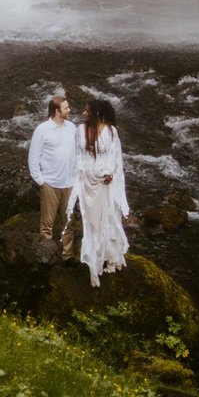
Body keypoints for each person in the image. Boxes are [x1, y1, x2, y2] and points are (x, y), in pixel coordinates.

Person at [67, 98, 130, 288]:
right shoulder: (80, 131)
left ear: (96, 113)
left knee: (107, 219)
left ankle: (107, 256)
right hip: (88, 182)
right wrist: (85, 176)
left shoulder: (111, 131)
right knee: (91, 223)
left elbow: (116, 157)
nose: (84, 113)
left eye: (87, 110)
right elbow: (79, 157)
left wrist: (110, 173)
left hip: (105, 183)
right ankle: (93, 258)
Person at [27, 93, 77, 260]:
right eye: (66, 108)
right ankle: (47, 257)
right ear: (57, 111)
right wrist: (41, 181)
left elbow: (78, 153)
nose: (69, 110)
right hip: (50, 183)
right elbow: (33, 157)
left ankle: (67, 256)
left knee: (69, 222)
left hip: (70, 183)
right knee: (47, 225)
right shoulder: (42, 130)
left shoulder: (72, 127)